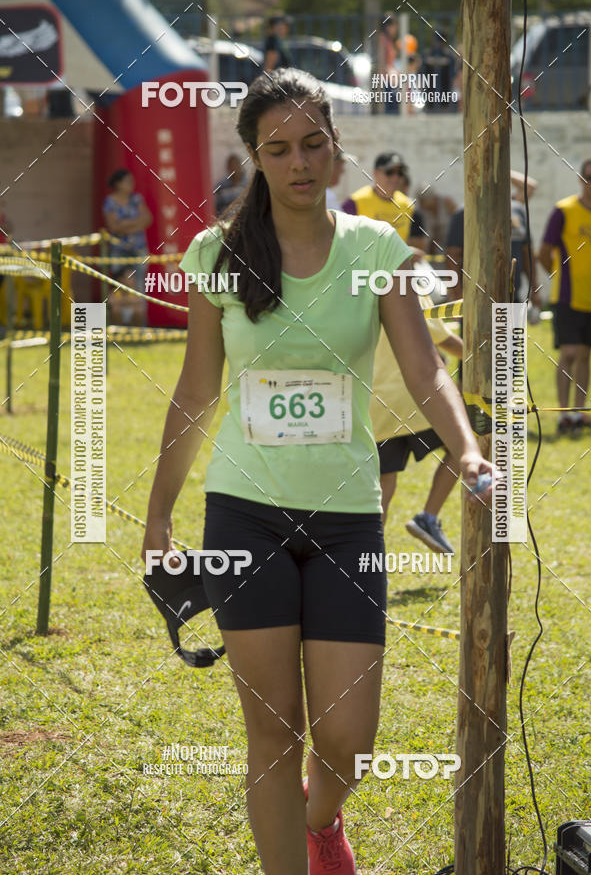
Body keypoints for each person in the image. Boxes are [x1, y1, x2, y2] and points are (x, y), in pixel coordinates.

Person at [141, 68, 493, 875]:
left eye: (313, 144)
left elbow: (425, 371)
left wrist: (468, 449)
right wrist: (160, 512)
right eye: (279, 148)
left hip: (346, 518)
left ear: (336, 151)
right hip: (244, 511)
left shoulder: (376, 249)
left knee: (348, 739)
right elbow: (196, 391)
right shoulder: (216, 254)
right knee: (272, 731)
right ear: (255, 159)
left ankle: (321, 819)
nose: (299, 162)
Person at [372, 295, 463, 552]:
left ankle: (370, 558)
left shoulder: (352, 287)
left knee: (383, 485)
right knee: (464, 448)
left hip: (375, 403)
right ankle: (428, 517)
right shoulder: (404, 286)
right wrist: (484, 353)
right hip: (418, 400)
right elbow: (444, 340)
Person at [539, 157, 591, 433]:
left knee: (586, 355)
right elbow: (544, 251)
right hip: (567, 299)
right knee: (570, 352)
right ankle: (563, 413)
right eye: (590, 177)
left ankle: (579, 412)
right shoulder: (564, 210)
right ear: (581, 179)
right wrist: (557, 275)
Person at [341, 152, 423, 250]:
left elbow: (416, 241)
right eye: (390, 172)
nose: (395, 177)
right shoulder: (355, 202)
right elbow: (343, 241)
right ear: (375, 173)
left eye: (400, 173)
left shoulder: (408, 204)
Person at [102, 168, 153, 325]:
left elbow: (148, 219)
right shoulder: (110, 201)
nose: (132, 184)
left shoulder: (137, 199)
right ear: (118, 184)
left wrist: (124, 224)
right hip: (119, 251)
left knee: (139, 288)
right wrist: (136, 223)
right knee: (118, 288)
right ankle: (117, 328)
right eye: (128, 181)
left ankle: (141, 328)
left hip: (138, 249)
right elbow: (114, 227)